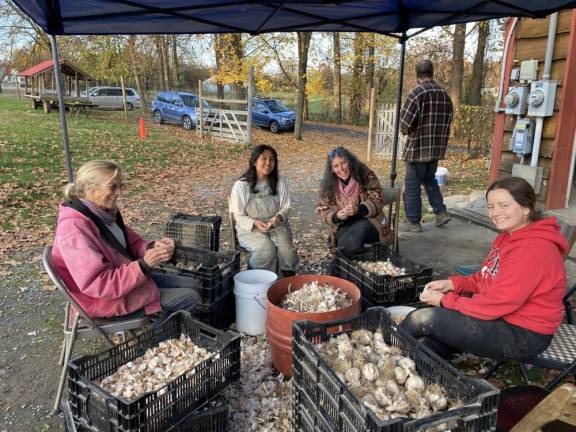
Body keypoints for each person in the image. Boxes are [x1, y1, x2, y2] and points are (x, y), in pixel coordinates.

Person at [400, 177, 568, 361]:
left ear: (526, 208)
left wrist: (444, 301)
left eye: (504, 205)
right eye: (491, 206)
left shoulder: (532, 250)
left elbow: (495, 304)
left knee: (423, 319)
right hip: (503, 317)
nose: (496, 212)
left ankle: (386, 348)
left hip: (522, 334)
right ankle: (411, 364)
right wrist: (452, 284)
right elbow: (486, 277)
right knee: (429, 344)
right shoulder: (508, 236)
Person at [52, 160, 199, 320]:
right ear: (89, 187)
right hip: (101, 301)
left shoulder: (103, 214)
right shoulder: (74, 228)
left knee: (195, 284)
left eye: (121, 186)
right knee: (190, 297)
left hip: (123, 284)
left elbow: (132, 244)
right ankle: (156, 340)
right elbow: (98, 284)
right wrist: (143, 265)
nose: (119, 192)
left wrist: (154, 247)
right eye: (112, 187)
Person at [399, 59, 453, 233]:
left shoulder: (416, 94)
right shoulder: (445, 95)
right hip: (436, 150)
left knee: (412, 185)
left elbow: (404, 125)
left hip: (418, 149)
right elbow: (448, 121)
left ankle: (413, 222)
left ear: (417, 75)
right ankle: (441, 212)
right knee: (429, 180)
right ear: (432, 73)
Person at [229, 145, 299, 275]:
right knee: (266, 249)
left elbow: (286, 206)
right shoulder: (242, 185)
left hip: (276, 225)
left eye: (272, 159)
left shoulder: (280, 182)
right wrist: (255, 223)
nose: (268, 163)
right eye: (264, 159)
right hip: (249, 227)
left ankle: (288, 279)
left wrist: (279, 217)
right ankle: (254, 276)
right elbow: (238, 215)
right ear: (254, 162)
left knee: (288, 252)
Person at [316, 146, 391, 257]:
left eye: (343, 163)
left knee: (354, 235)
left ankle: (339, 268)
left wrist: (358, 209)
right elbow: (323, 208)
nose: (341, 169)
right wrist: (337, 216)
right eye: (336, 166)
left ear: (350, 161)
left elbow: (377, 200)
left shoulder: (365, 174)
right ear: (331, 169)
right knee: (342, 238)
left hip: (371, 222)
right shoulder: (330, 183)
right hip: (345, 223)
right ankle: (352, 265)